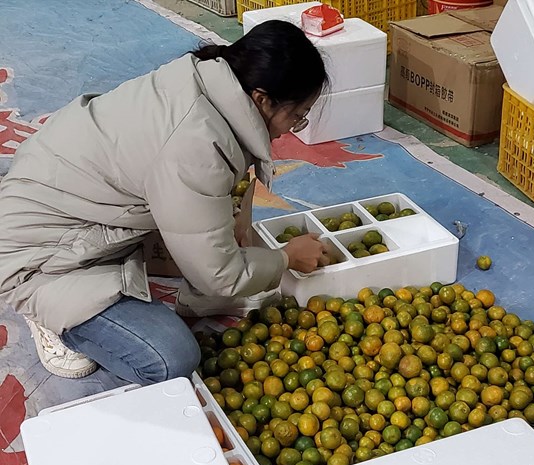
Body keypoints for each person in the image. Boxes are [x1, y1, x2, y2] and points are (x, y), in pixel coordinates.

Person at [0, 20, 330, 384]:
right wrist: (286, 258)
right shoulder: (195, 143)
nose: (292, 127)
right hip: (42, 256)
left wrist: (225, 231)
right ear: (262, 99)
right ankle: (51, 318)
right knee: (172, 358)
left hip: (81, 209)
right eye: (296, 116)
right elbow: (219, 272)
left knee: (213, 236)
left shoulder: (203, 79)